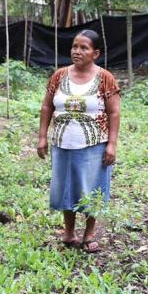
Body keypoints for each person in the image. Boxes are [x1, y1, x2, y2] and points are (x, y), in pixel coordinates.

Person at [37, 30, 121, 253]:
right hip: (63, 143)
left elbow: (114, 113)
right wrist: (42, 137)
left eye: (84, 48)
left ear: (96, 53)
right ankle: (69, 232)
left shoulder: (105, 78)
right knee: (66, 187)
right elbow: (47, 106)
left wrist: (111, 144)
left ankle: (90, 233)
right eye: (75, 46)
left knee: (92, 188)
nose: (77, 51)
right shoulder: (59, 76)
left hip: (94, 144)